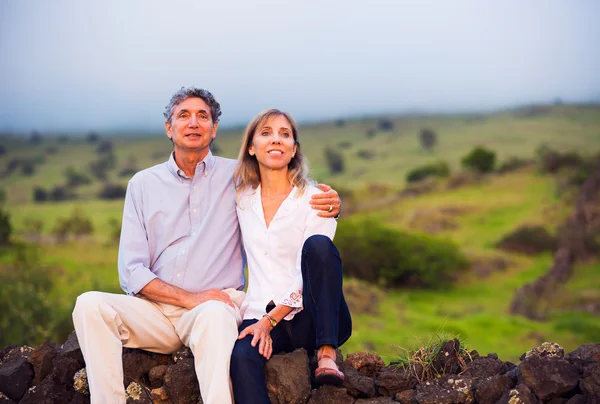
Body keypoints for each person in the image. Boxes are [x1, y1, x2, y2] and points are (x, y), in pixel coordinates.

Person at [71, 88, 341, 404]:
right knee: (89, 304)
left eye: (203, 116)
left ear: (213, 129)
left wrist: (332, 203)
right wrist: (187, 297)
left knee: (216, 313)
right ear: (169, 128)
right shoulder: (142, 184)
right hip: (154, 309)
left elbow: (285, 193)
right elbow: (131, 272)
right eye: (183, 115)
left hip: (213, 306)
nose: (193, 122)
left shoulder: (239, 177)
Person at [230, 109, 352, 403]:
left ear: (294, 149)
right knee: (241, 358)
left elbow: (315, 270)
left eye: (285, 134)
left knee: (319, 245)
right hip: (259, 312)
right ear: (251, 147)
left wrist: (270, 321)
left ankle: (326, 353)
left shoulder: (316, 199)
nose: (276, 140)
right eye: (266, 133)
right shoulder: (240, 198)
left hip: (311, 317)